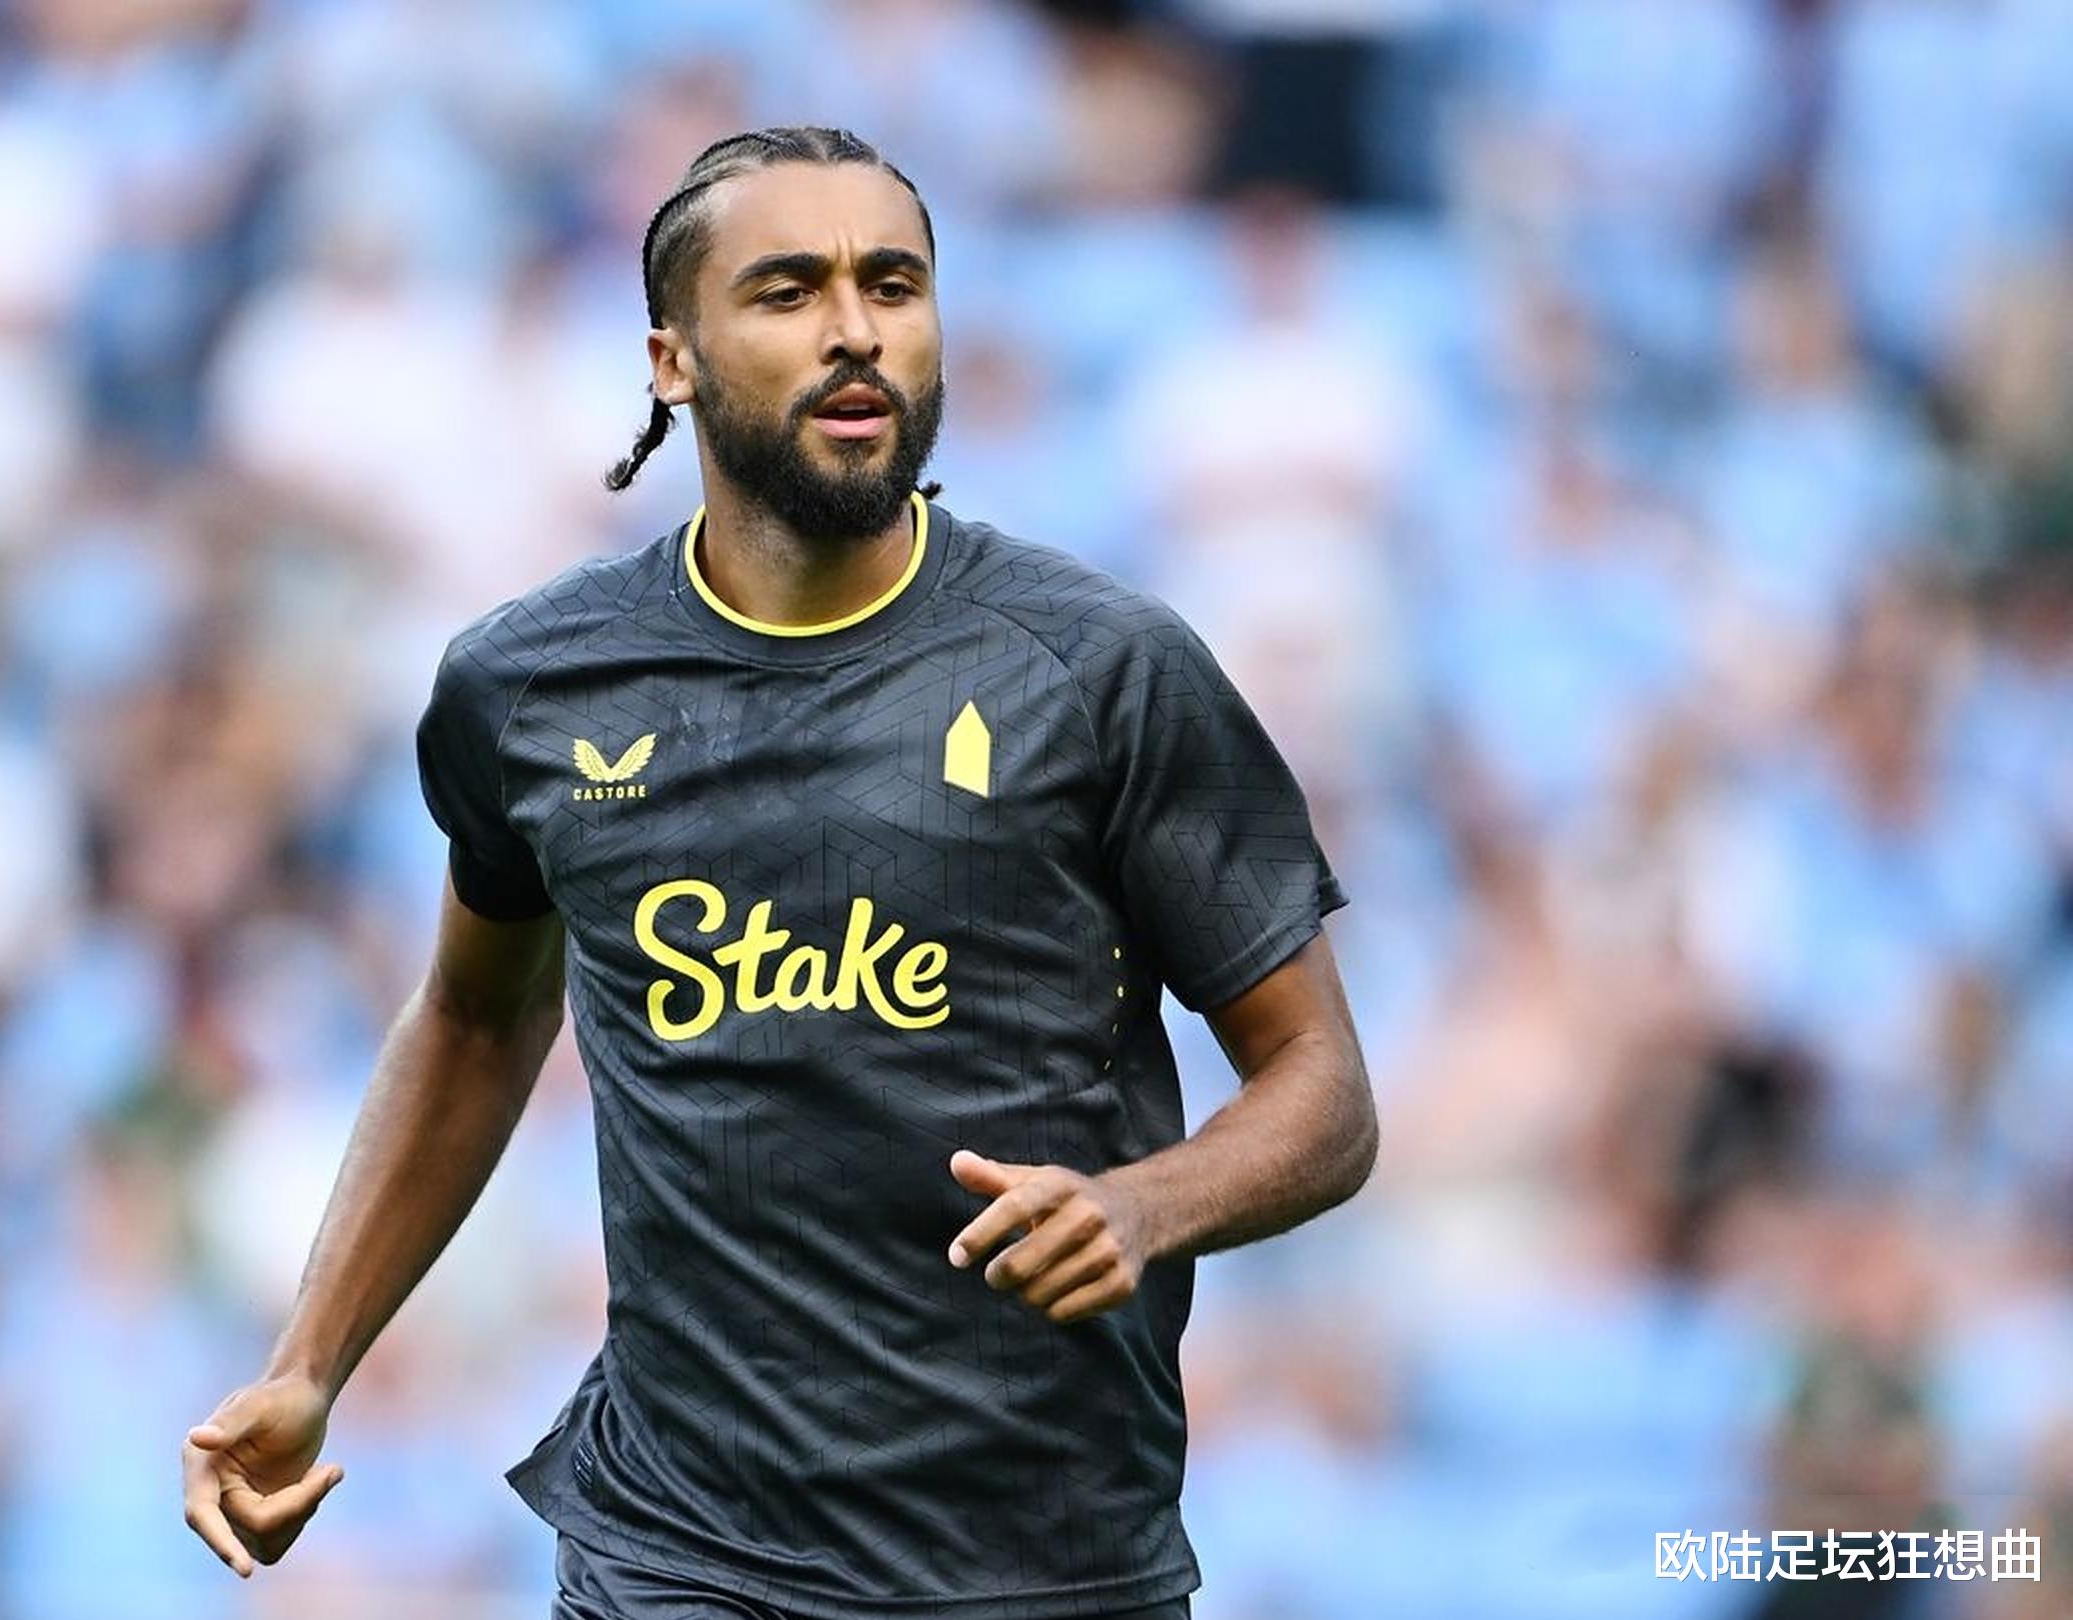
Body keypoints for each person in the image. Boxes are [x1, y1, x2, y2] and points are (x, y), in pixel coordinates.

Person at [180, 126, 1378, 1620]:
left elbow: (1325, 1090)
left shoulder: (1103, 670)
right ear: (671, 361)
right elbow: (477, 1020)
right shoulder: (532, 688)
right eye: (790, 290)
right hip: (677, 1552)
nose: (856, 329)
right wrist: (311, 1360)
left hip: (1045, 1559)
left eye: (895, 284)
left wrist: (1146, 1206)